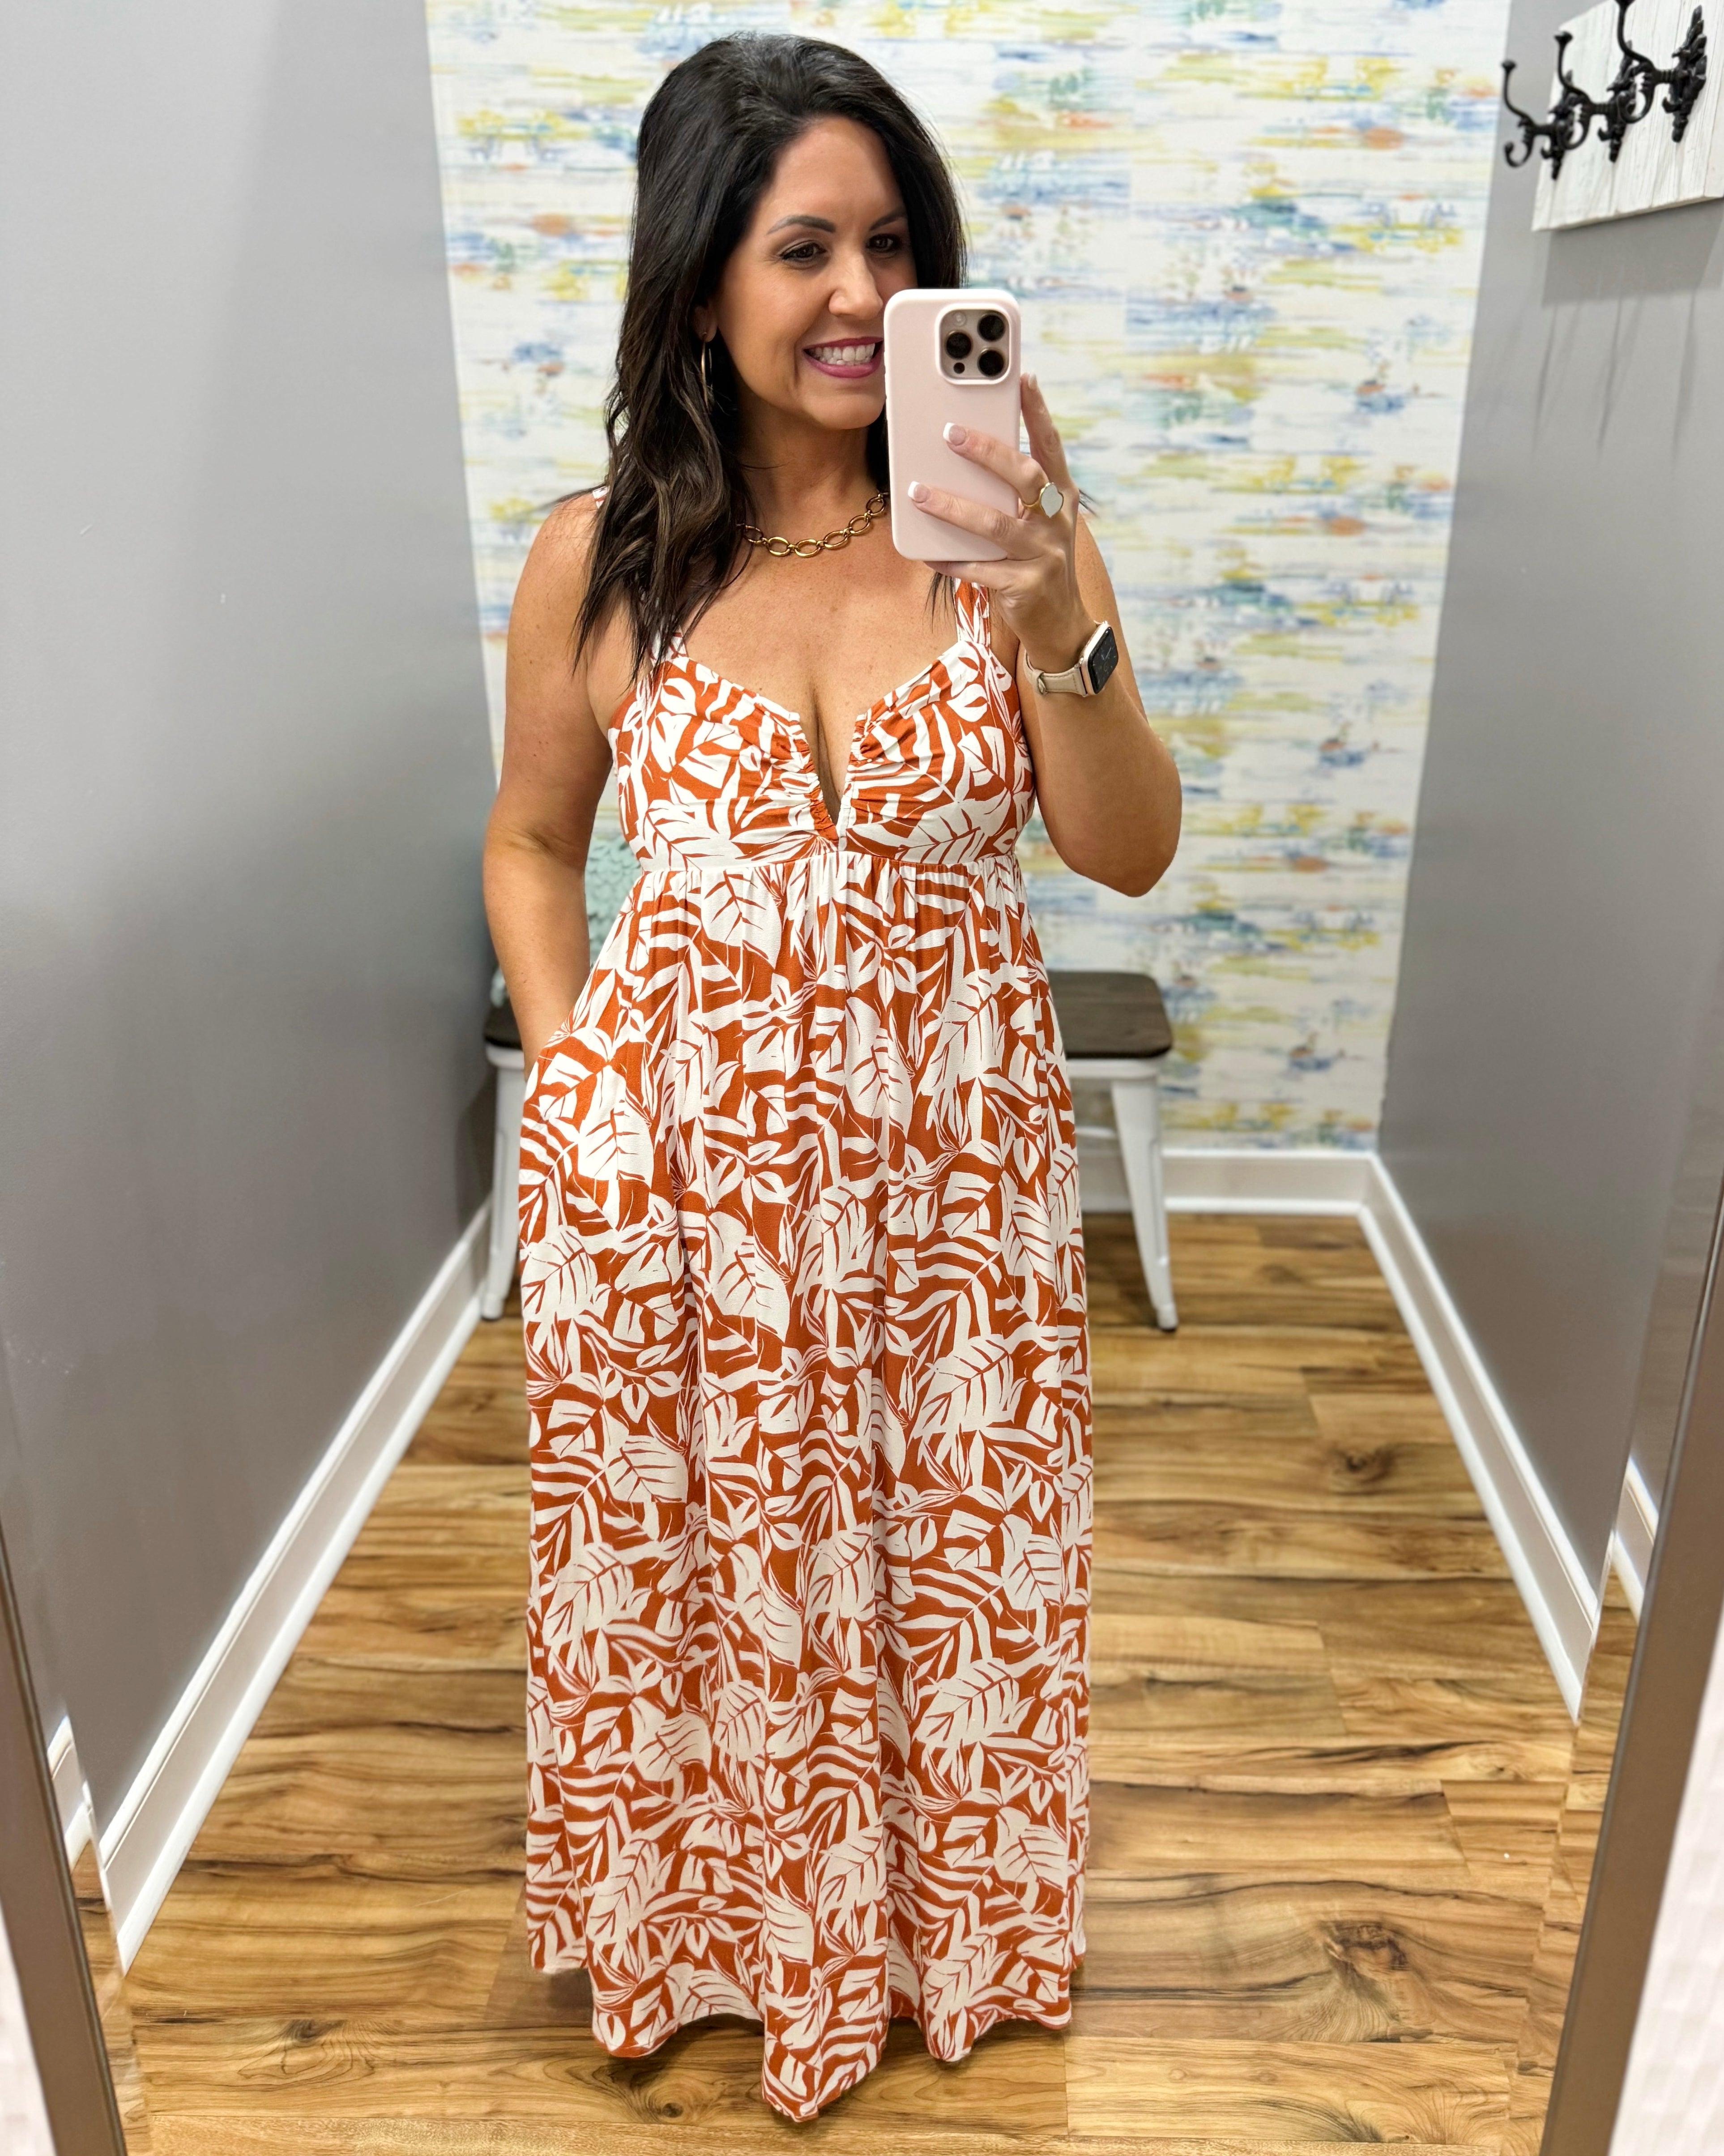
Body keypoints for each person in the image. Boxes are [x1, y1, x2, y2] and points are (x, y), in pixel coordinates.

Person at [482, 31, 1181, 2122]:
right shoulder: (597, 558)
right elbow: (530, 839)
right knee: (702, 1567)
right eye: (805, 247)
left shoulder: (1014, 536)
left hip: (948, 1188)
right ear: (701, 277)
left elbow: (1125, 847)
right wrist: (575, 1069)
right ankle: (713, 1932)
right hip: (675, 1186)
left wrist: (1060, 619)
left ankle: (934, 1933)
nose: (862, 296)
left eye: (895, 243)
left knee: (949, 1557)